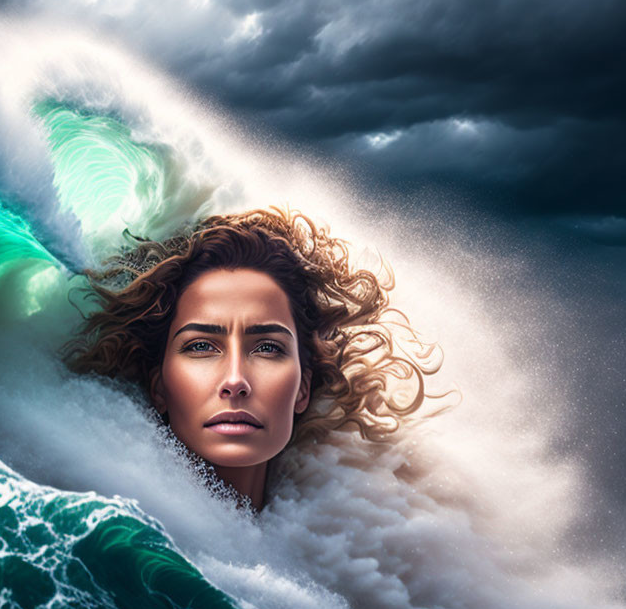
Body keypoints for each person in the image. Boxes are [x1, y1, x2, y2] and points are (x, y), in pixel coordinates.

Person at [64, 208, 440, 510]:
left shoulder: (350, 549)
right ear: (159, 386)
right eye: (200, 347)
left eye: (268, 348)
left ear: (303, 388)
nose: (235, 381)